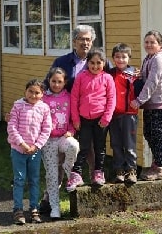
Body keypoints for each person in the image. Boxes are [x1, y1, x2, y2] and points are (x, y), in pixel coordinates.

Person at [40, 24, 112, 213]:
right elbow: (47, 84)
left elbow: (112, 82)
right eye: (81, 39)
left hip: (93, 117)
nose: (85, 42)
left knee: (92, 152)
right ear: (73, 41)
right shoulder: (62, 61)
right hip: (66, 118)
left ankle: (92, 191)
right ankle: (49, 198)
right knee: (61, 156)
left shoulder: (100, 60)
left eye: (88, 39)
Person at [66, 48, 116, 191]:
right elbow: (74, 98)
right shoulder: (81, 77)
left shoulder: (107, 78)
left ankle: (98, 173)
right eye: (92, 63)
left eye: (98, 63)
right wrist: (75, 119)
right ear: (87, 63)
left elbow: (112, 99)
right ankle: (76, 174)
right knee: (84, 148)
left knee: (100, 148)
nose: (95, 66)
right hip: (84, 119)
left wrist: (107, 117)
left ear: (104, 63)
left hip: (101, 120)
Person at [130, 30, 162, 181]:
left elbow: (152, 82)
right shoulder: (150, 57)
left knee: (157, 133)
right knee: (149, 133)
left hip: (159, 102)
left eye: (152, 42)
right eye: (147, 42)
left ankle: (160, 167)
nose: (149, 45)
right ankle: (159, 163)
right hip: (151, 103)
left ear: (160, 44)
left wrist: (138, 101)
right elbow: (147, 77)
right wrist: (139, 75)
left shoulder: (159, 58)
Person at [7, 79, 52, 225]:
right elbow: (12, 127)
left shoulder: (44, 108)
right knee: (19, 179)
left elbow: (46, 129)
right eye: (30, 92)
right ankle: (18, 210)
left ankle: (34, 208)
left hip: (34, 151)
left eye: (37, 92)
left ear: (42, 94)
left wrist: (36, 146)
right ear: (25, 92)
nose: (33, 95)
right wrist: (22, 144)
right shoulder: (18, 106)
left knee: (34, 179)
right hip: (18, 150)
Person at [41, 67, 79, 220]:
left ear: (65, 82)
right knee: (52, 175)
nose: (56, 84)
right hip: (48, 140)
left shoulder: (69, 97)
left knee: (74, 145)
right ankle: (55, 207)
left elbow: (72, 117)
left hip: (64, 137)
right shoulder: (42, 98)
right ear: (49, 81)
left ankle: (68, 166)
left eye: (60, 82)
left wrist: (71, 131)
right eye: (53, 81)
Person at [109, 43, 139, 185]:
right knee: (116, 143)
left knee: (129, 144)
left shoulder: (134, 74)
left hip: (129, 114)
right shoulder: (110, 73)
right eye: (117, 57)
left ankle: (131, 171)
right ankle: (119, 170)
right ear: (113, 58)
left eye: (124, 57)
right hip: (113, 114)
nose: (120, 60)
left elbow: (142, 89)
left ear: (129, 58)